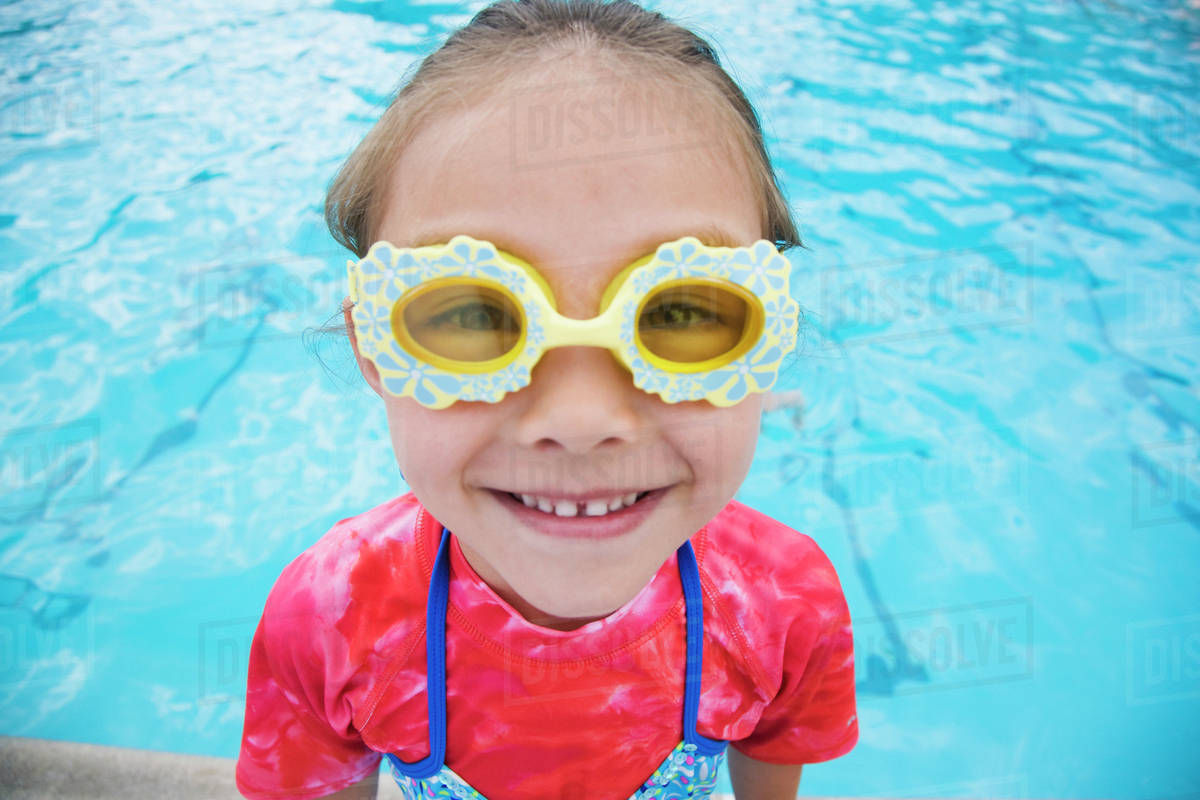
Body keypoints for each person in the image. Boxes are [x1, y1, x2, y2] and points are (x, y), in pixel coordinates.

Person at [235, 1, 857, 798]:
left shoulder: (786, 603)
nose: (580, 423)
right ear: (374, 350)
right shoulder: (328, 619)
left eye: (679, 312)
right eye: (472, 314)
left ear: (767, 339)